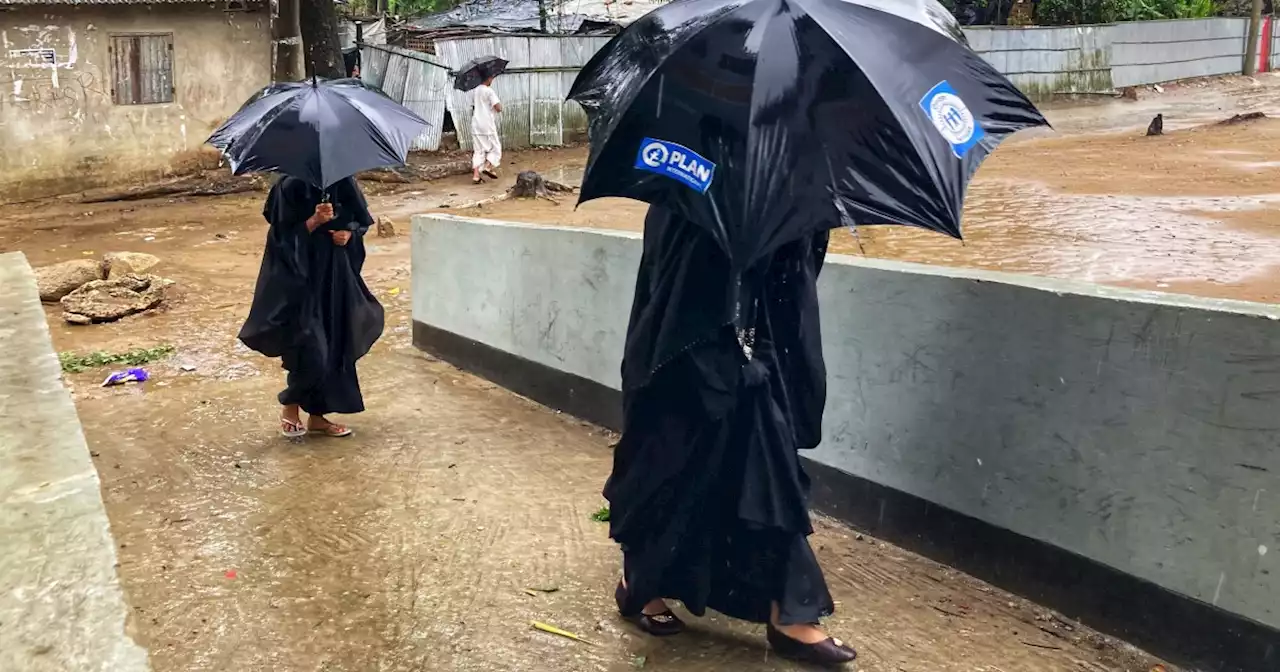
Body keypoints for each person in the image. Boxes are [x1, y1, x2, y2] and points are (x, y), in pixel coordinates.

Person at [604, 206, 857, 666]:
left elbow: (794, 273)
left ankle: (786, 609)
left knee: (753, 469)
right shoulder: (698, 178)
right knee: (674, 463)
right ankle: (638, 584)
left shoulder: (787, 174)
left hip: (758, 351)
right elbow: (680, 281)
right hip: (691, 350)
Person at [238, 175, 384, 439]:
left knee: (336, 343)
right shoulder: (289, 186)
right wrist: (314, 221)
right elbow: (280, 239)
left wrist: (348, 234)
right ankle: (290, 408)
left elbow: (359, 221)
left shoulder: (343, 182)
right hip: (301, 282)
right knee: (309, 344)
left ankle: (318, 417)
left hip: (335, 278)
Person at [470, 75, 503, 184]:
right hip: (487, 124)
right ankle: (488, 166)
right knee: (496, 148)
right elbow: (498, 108)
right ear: (488, 78)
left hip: (476, 124)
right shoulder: (489, 91)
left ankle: (476, 175)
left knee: (478, 150)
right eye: (491, 78)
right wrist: (498, 107)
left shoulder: (475, 91)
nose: (492, 80)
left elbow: (474, 106)